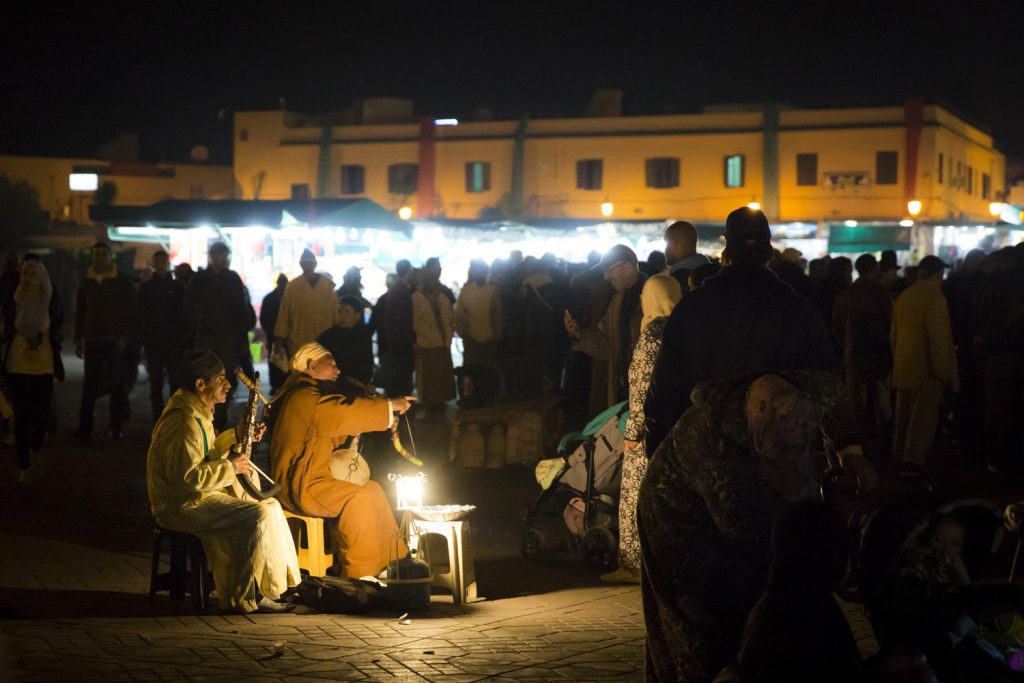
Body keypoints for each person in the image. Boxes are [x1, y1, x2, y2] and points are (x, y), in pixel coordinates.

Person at [638, 371, 862, 682]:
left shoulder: (805, 397)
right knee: (692, 626)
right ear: (759, 426)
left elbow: (833, 398)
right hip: (676, 519)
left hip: (738, 508)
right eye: (779, 452)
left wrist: (850, 452)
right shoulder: (711, 441)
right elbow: (743, 528)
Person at [644, 207, 835, 456]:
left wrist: (659, 449)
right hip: (777, 453)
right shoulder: (795, 308)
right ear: (768, 251)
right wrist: (842, 445)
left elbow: (665, 387)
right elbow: (824, 379)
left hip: (707, 450)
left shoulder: (692, 307)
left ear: (727, 250)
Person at [146, 350, 299, 614]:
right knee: (255, 516)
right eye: (220, 378)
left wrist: (240, 435)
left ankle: (277, 588)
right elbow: (186, 478)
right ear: (201, 384)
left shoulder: (198, 412)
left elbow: (210, 449)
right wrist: (230, 467)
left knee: (271, 507)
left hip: (199, 496)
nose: (228, 384)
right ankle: (241, 597)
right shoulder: (182, 422)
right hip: (181, 504)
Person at [268, 343, 414, 579]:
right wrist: (389, 406)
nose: (337, 370)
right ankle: (362, 575)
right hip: (302, 485)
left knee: (374, 489)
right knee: (360, 498)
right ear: (312, 366)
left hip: (315, 477)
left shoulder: (308, 394)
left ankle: (392, 564)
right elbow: (341, 413)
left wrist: (360, 419)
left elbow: (334, 422)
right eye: (331, 364)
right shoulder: (304, 397)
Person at [603, 274, 681, 585]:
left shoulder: (652, 334)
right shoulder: (683, 330)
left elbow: (641, 386)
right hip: (675, 428)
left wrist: (633, 431)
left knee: (634, 495)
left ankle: (634, 563)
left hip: (648, 431)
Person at [891, 255, 958, 466]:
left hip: (904, 367)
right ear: (938, 274)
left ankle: (899, 460)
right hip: (926, 371)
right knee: (921, 425)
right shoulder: (935, 299)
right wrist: (943, 372)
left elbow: (893, 335)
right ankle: (912, 467)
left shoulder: (905, 296)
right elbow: (938, 339)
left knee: (903, 421)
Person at [564, 244, 647, 408]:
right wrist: (580, 335)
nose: (605, 277)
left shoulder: (653, 293)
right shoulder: (616, 302)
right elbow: (607, 345)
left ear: (628, 266)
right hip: (623, 390)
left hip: (647, 390)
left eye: (609, 270)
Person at [3, 260, 64, 482]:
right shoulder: (13, 298)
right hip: (18, 362)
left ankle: (36, 445)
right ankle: (24, 465)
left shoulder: (49, 299)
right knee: (21, 415)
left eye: (33, 273)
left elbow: (58, 324)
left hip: (43, 364)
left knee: (41, 413)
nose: (28, 277)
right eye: (25, 272)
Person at [184, 242, 254, 429]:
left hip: (227, 336)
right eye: (219, 255)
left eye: (225, 255)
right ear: (212, 256)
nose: (223, 258)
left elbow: (241, 309)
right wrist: (199, 320)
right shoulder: (200, 278)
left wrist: (241, 338)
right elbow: (188, 304)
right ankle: (202, 416)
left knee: (225, 378)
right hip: (206, 335)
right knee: (204, 376)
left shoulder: (232, 278)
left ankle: (219, 419)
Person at [73, 242, 137, 442]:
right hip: (93, 339)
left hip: (115, 341)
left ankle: (115, 428)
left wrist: (125, 337)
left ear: (110, 257)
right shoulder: (87, 280)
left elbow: (132, 312)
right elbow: (80, 310)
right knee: (89, 385)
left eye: (103, 254)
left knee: (117, 385)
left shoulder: (122, 280)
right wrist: (78, 337)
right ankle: (85, 430)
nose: (100, 257)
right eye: (96, 254)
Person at [831, 253, 893, 437]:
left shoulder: (846, 294)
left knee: (855, 404)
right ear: (874, 269)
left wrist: (845, 345)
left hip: (854, 354)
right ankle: (883, 443)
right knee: (882, 403)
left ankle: (856, 443)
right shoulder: (882, 294)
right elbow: (890, 324)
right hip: (880, 353)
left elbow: (836, 326)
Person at [138, 250, 185, 421]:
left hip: (173, 341)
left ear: (168, 262)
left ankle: (172, 418)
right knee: (156, 383)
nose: (161, 263)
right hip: (154, 342)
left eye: (163, 260)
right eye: (157, 261)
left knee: (175, 382)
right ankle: (158, 418)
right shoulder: (146, 288)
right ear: (153, 263)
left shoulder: (178, 287)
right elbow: (139, 313)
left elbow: (184, 313)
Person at [273, 249, 339, 360]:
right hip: (301, 345)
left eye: (309, 263)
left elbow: (336, 316)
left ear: (315, 264)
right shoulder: (293, 287)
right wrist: (278, 342)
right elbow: (284, 316)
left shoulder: (327, 286)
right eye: (305, 263)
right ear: (301, 264)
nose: (307, 265)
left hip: (321, 344)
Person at [412, 266, 455, 408]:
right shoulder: (417, 298)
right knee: (430, 377)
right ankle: (431, 402)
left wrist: (446, 340)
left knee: (439, 376)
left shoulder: (442, 297)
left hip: (441, 344)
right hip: (428, 344)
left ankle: (439, 401)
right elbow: (417, 322)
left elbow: (448, 320)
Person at [316, 295, 375, 393]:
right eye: (340, 312)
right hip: (332, 389)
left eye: (347, 312)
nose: (341, 316)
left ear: (357, 316)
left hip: (357, 389)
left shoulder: (363, 336)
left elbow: (367, 364)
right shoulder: (327, 336)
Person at [377, 259, 415, 397]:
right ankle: (403, 400)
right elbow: (404, 318)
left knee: (398, 371)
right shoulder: (403, 290)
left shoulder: (395, 290)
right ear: (409, 271)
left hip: (395, 339)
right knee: (403, 372)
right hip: (402, 340)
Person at [453, 259, 503, 365]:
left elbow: (459, 316)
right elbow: (497, 316)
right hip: (483, 339)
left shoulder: (467, 290)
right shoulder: (493, 289)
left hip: (476, 340)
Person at [259, 274, 289, 395]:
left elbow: (263, 319)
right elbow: (264, 319)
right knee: (277, 360)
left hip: (276, 334)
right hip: (277, 335)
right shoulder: (285, 298)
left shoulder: (270, 298)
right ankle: (278, 384)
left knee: (275, 360)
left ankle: (277, 384)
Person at [663, 221, 710, 292]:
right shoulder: (712, 272)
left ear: (674, 244)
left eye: (667, 243)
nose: (665, 249)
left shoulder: (677, 280)